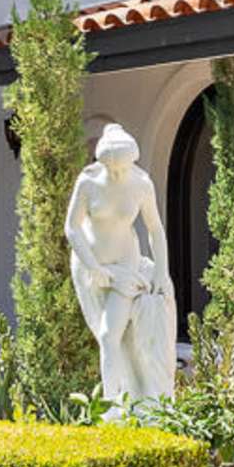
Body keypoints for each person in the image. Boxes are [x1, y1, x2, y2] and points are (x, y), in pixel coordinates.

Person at [64, 123, 176, 408]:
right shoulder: (88, 183)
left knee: (109, 335)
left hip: (126, 268)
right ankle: (122, 399)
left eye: (122, 168)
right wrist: (93, 267)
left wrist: (161, 271)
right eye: (112, 169)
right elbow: (72, 227)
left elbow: (155, 229)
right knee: (110, 338)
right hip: (92, 268)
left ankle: (115, 403)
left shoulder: (141, 184)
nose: (117, 174)